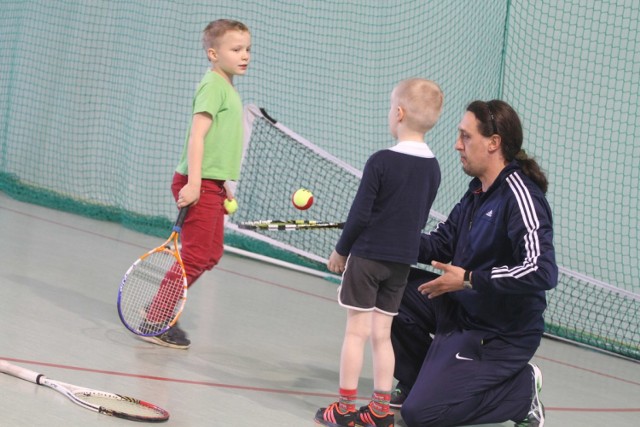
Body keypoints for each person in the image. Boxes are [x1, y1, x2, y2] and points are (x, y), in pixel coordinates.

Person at [390, 100, 558, 427]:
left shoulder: (521, 196)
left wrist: (469, 278)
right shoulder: (477, 192)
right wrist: (387, 239)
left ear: (493, 142)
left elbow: (542, 269)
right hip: (462, 309)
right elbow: (439, 244)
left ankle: (520, 391)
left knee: (420, 415)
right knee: (386, 286)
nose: (457, 145)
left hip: (501, 334)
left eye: (465, 137)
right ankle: (418, 380)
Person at [315, 78, 444, 427]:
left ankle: (343, 409)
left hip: (368, 257)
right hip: (401, 264)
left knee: (356, 333)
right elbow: (415, 217)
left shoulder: (381, 161)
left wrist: (341, 251)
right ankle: (380, 412)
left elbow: (360, 215)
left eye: (391, 108)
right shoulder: (434, 168)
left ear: (399, 113)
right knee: (382, 335)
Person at [141, 19, 251, 349]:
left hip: (212, 184)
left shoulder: (228, 87)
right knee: (195, 256)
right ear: (213, 54)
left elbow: (220, 144)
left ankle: (160, 309)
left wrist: (222, 183)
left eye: (248, 49)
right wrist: (194, 183)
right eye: (236, 49)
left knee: (210, 254)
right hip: (197, 183)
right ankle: (156, 318)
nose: (245, 55)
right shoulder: (213, 86)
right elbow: (197, 136)